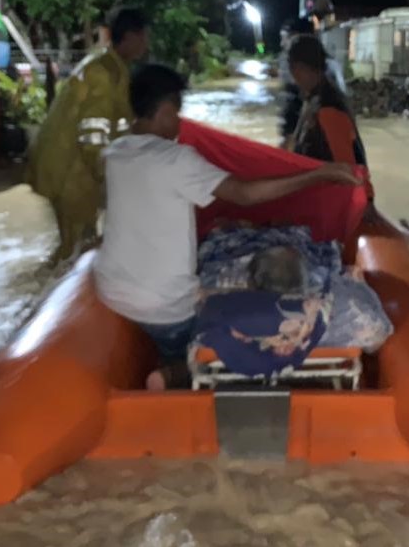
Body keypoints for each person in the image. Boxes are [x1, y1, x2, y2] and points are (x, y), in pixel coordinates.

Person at [95, 63, 360, 390]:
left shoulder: (115, 152)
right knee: (222, 332)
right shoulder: (176, 159)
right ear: (164, 111)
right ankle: (177, 370)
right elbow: (244, 194)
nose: (179, 123)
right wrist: (318, 175)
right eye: (177, 114)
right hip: (162, 306)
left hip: (109, 287)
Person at [26, 7, 149, 263]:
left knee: (79, 242)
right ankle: (48, 294)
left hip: (68, 164)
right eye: (143, 36)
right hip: (72, 169)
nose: (146, 43)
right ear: (130, 37)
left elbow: (119, 120)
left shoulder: (109, 66)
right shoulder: (103, 74)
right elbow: (93, 131)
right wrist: (105, 171)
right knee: (75, 248)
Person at [287, 34, 369, 173]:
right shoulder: (314, 98)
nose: (294, 75)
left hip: (338, 191)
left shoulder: (329, 108)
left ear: (307, 68)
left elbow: (347, 171)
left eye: (295, 68)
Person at [278, 16, 347, 150]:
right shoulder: (314, 94)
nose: (282, 44)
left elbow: (345, 164)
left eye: (286, 38)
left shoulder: (327, 106)